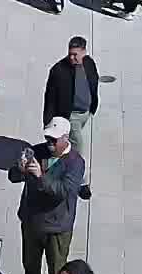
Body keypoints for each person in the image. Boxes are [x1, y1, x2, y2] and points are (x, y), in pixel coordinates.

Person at [10, 116, 86, 274]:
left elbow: (63, 191)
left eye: (54, 140)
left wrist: (40, 176)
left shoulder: (76, 163)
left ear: (66, 138)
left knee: (57, 271)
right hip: (32, 221)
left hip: (56, 227)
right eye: (47, 138)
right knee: (30, 262)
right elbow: (13, 176)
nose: (49, 143)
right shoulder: (36, 152)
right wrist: (20, 169)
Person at [42, 38, 99, 201]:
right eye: (70, 54)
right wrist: (47, 121)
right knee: (78, 147)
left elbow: (94, 83)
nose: (72, 57)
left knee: (68, 147)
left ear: (84, 52)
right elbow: (50, 98)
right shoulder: (58, 71)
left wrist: (92, 107)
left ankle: (51, 165)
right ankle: (81, 182)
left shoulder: (89, 64)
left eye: (75, 55)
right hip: (70, 116)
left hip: (85, 113)